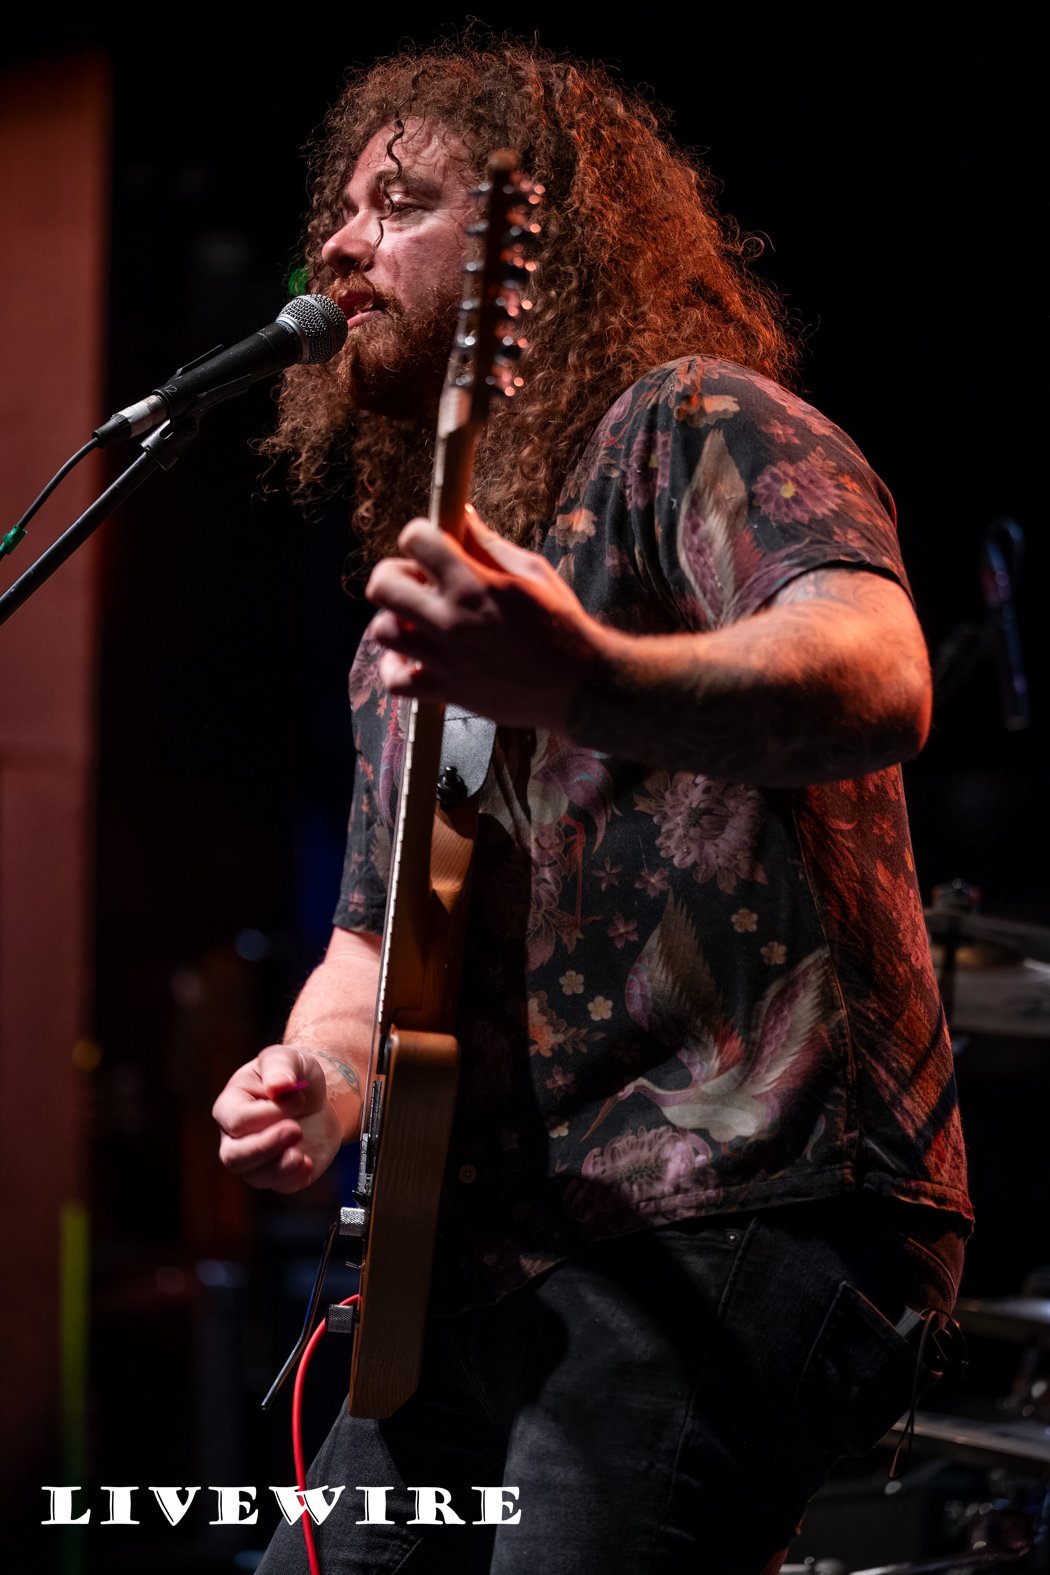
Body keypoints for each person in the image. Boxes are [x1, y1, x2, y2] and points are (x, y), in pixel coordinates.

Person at [211, 38, 972, 1575]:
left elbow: (876, 669)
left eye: (398, 204)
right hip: (472, 1266)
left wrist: (586, 680)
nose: (340, 245)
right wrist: (319, 1076)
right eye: (338, 211)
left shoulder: (694, 423)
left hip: (733, 1196)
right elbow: (372, 944)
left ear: (529, 247)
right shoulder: (416, 611)